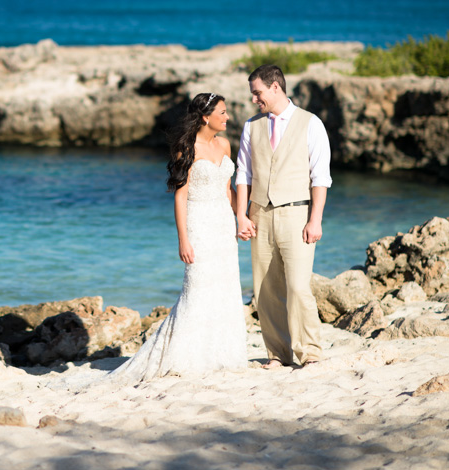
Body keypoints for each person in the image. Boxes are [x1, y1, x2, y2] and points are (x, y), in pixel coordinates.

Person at [110, 92, 247, 382]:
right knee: (197, 289)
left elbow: (227, 189)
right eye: (222, 112)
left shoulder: (224, 144)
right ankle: (185, 356)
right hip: (198, 224)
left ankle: (222, 354)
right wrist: (183, 239)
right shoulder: (186, 149)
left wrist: (241, 219)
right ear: (206, 117)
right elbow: (180, 198)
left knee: (224, 286)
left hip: (223, 223)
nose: (227, 117)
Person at [235, 64, 332, 369]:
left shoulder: (311, 123)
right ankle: (278, 353)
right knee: (265, 290)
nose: (254, 99)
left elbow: (321, 177)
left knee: (298, 286)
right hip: (259, 214)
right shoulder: (251, 126)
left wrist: (315, 219)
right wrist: (241, 214)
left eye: (257, 92)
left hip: (297, 214)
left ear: (275, 87)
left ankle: (310, 353)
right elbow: (243, 175)